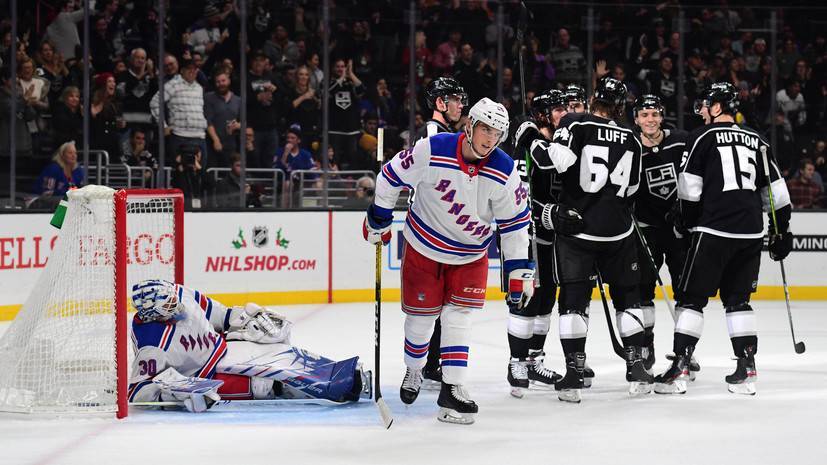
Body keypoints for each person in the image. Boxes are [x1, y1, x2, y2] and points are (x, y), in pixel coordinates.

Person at [362, 98, 533, 425]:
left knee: (459, 317)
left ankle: (453, 388)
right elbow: (390, 175)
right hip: (424, 249)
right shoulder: (433, 149)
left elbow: (515, 227)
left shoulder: (506, 171)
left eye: (497, 133)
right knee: (421, 320)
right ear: (469, 126)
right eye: (484, 128)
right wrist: (380, 215)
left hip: (470, 256)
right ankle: (414, 370)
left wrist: (517, 272)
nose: (489, 138)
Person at [655, 82, 793, 395]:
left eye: (705, 104)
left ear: (718, 107)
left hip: (713, 230)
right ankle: (747, 368)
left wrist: (686, 223)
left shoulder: (700, 136)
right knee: (739, 301)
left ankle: (680, 366)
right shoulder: (756, 138)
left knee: (691, 299)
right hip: (750, 233)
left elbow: (689, 187)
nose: (702, 110)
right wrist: (781, 230)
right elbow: (777, 193)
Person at [548, 77, 648, 402]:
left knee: (574, 301)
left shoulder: (576, 123)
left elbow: (557, 162)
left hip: (579, 229)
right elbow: (633, 189)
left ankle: (575, 373)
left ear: (593, 99)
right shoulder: (633, 138)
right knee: (628, 298)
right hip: (619, 231)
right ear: (620, 106)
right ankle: (636, 365)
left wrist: (541, 142)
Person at [128, 279, 371, 411]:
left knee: (279, 352)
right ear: (152, 313)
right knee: (265, 384)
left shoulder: (182, 296)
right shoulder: (152, 345)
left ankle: (341, 371)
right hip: (208, 375)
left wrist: (243, 319)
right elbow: (138, 392)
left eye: (174, 299)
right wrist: (174, 393)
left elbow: (218, 314)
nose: (177, 306)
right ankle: (340, 389)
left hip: (224, 347)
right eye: (170, 306)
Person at [506, 89, 574, 398]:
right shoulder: (524, 145)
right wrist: (536, 213)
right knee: (525, 297)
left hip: (551, 234)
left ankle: (534, 359)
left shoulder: (556, 141)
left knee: (547, 296)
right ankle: (516, 362)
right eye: (557, 109)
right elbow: (516, 191)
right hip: (525, 232)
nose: (564, 113)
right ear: (544, 114)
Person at [631, 95, 692, 375]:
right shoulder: (631, 146)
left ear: (662, 116)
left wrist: (687, 210)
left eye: (654, 114)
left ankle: (684, 351)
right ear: (636, 119)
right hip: (646, 230)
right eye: (644, 115)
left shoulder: (681, 140)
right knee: (643, 291)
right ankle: (646, 345)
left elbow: (694, 174)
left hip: (677, 230)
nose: (650, 120)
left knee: (684, 292)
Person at [150, 59, 208, 169]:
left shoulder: (199, 88)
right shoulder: (172, 85)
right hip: (180, 136)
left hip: (200, 136)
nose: (192, 72)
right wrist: (163, 125)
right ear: (182, 71)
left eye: (195, 69)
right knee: (180, 174)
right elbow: (154, 103)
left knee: (201, 173)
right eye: (189, 69)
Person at [204, 68, 241, 168]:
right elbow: (208, 121)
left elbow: (245, 121)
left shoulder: (238, 100)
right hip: (212, 143)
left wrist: (239, 125)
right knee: (212, 174)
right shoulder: (208, 97)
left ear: (229, 81)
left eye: (223, 81)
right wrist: (216, 140)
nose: (221, 84)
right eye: (218, 82)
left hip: (231, 144)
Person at [415, 77, 467, 141]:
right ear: (440, 102)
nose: (461, 105)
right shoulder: (432, 133)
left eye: (461, 100)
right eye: (456, 100)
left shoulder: (446, 130)